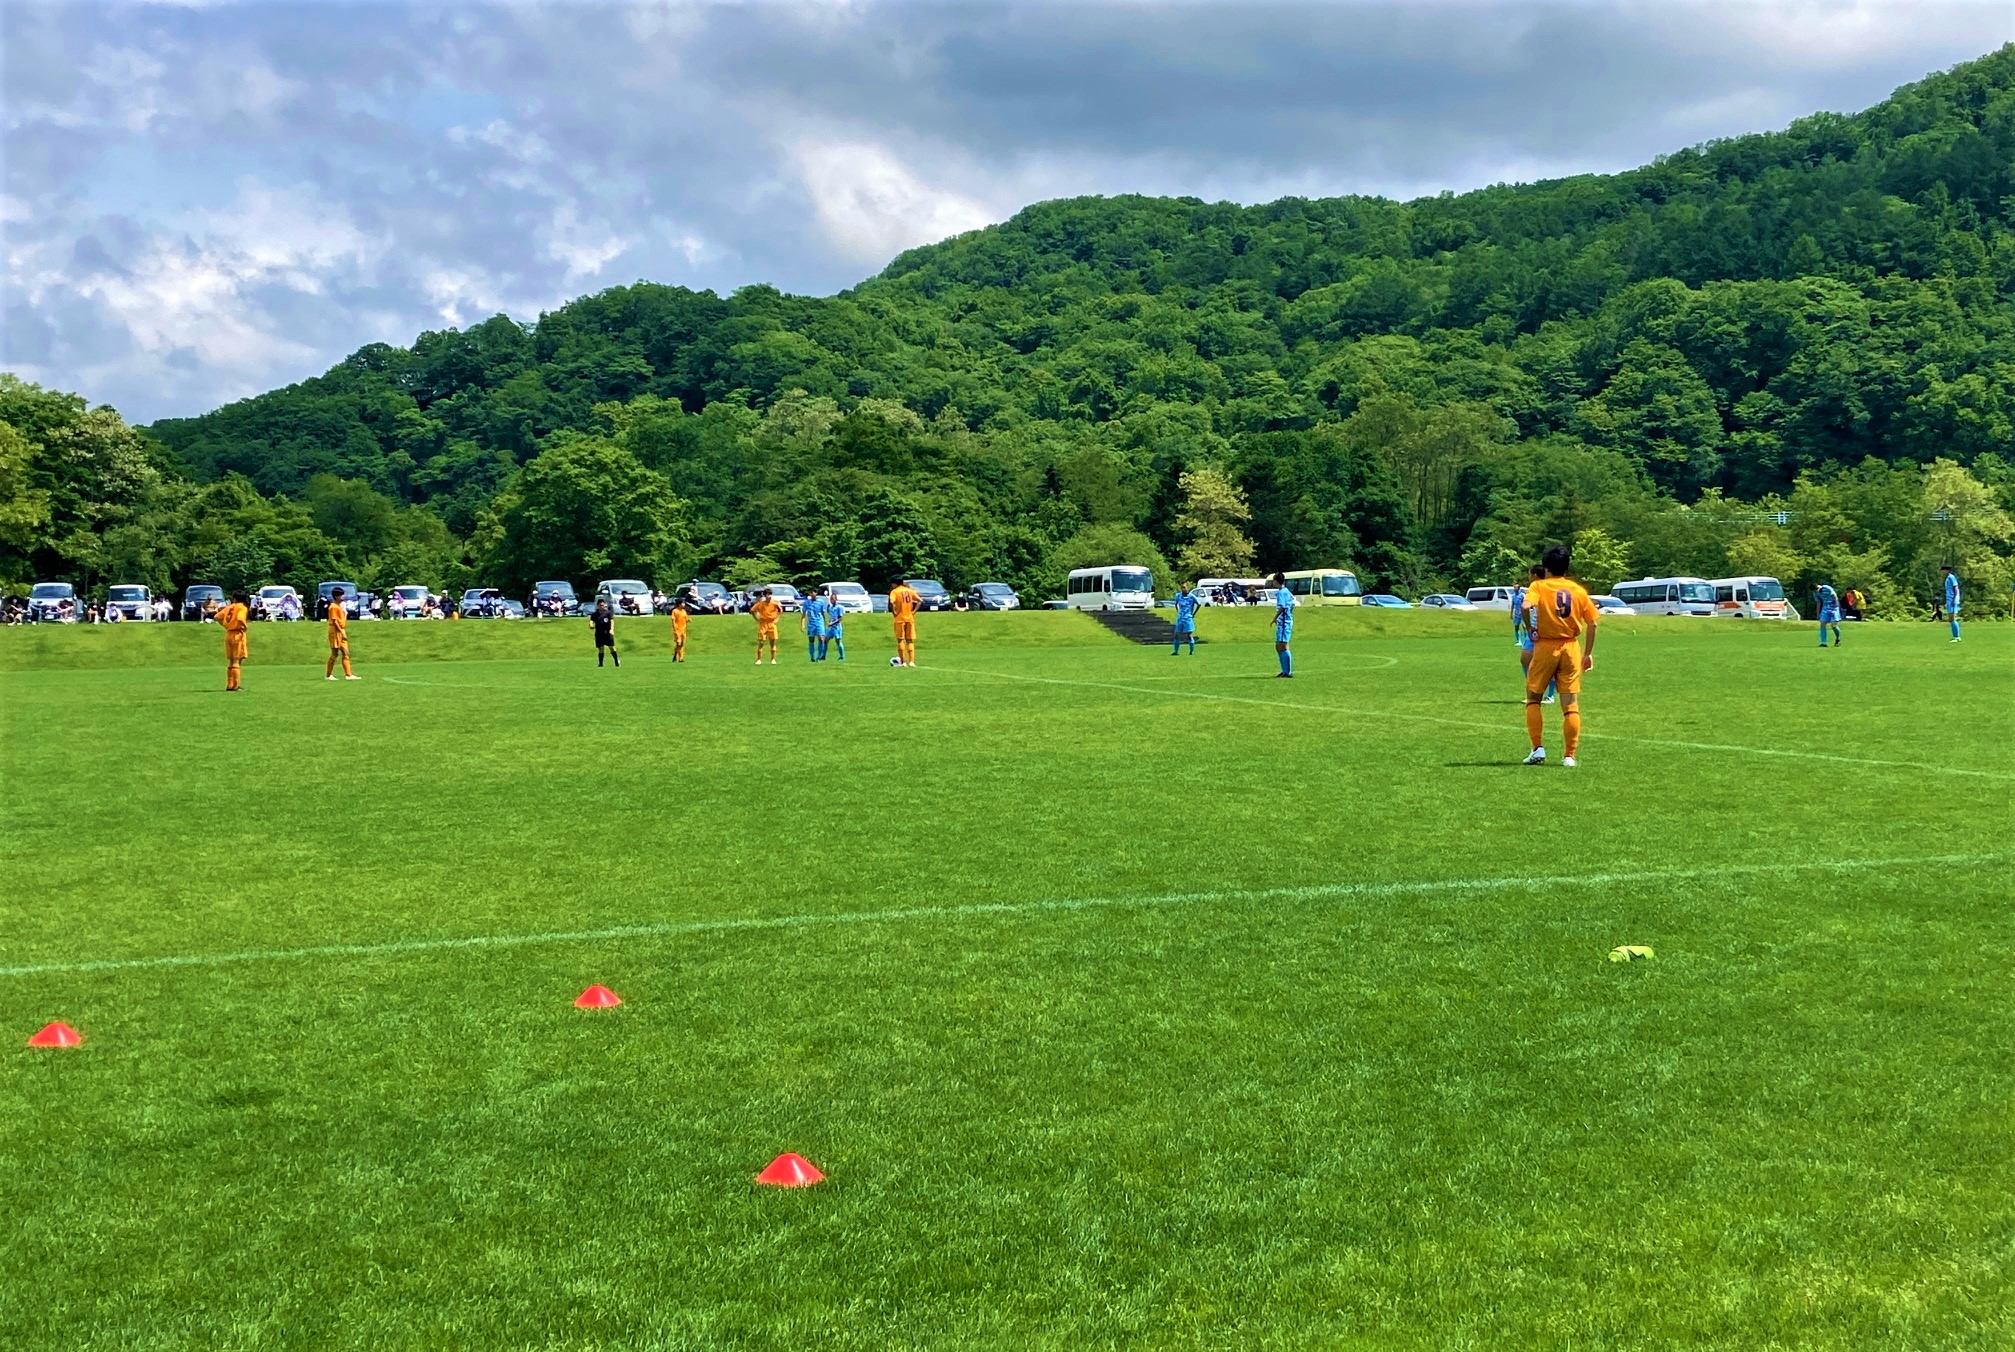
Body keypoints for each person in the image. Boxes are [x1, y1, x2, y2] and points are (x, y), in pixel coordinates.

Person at [1520, 543, 1599, 768]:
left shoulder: (1538, 586)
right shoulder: (1577, 590)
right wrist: (1588, 654)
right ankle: (1569, 756)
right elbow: (1593, 623)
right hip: (1571, 647)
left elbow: (1525, 607)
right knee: (1570, 705)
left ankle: (1537, 748)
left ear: (1546, 567)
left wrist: (1530, 628)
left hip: (1546, 645)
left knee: (1533, 698)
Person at [1512, 564, 1556, 703]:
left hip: (1546, 631)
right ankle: (1533, 692)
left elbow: (1526, 607)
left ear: (1535, 575)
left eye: (1530, 574)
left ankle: (1550, 695)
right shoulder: (1535, 588)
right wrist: (1529, 626)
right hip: (1534, 631)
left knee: (1548, 664)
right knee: (1525, 659)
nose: (1529, 577)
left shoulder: (1543, 587)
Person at [324, 587, 360, 680]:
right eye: (341, 595)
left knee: (345, 652)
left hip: (340, 629)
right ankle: (328, 675)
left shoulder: (339, 606)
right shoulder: (333, 607)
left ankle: (348, 674)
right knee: (334, 653)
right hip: (335, 631)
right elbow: (335, 621)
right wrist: (341, 631)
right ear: (336, 596)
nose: (343, 597)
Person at [219, 592, 251, 692]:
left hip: (229, 634)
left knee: (231, 661)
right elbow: (240, 618)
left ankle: (230, 684)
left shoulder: (230, 607)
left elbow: (217, 616)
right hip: (237, 634)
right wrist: (245, 626)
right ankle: (236, 685)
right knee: (237, 660)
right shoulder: (242, 607)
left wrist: (226, 625)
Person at [888, 578, 921, 667]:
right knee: (910, 640)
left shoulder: (895, 592)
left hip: (899, 618)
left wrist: (894, 612)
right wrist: (913, 612)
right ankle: (912, 661)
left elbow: (891, 602)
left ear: (895, 583)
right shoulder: (910, 590)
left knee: (900, 640)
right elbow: (920, 601)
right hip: (910, 618)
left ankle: (903, 662)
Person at [1270, 572, 1295, 677]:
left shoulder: (1281, 592)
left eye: (1273, 580)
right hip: (1283, 622)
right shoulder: (1287, 591)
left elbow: (1283, 606)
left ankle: (1287, 672)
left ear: (1276, 581)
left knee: (1283, 645)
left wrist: (1275, 618)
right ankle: (1284, 670)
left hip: (1284, 623)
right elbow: (1293, 603)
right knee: (1278, 646)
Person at [750, 587, 782, 664]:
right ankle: (759, 659)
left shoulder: (775, 603)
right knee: (761, 642)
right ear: (764, 595)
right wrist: (756, 619)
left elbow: (780, 610)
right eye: (767, 594)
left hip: (772, 624)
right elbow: (752, 611)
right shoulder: (760, 604)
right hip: (763, 624)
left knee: (772, 642)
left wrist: (777, 618)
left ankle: (773, 659)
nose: (769, 596)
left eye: (770, 594)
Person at [1171, 581, 1201, 655]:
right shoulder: (1178, 596)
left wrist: (1193, 614)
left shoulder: (1192, 596)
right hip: (1180, 618)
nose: (1183, 589)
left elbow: (1199, 604)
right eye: (1182, 588)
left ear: (1188, 588)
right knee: (1176, 634)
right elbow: (1176, 604)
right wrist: (1178, 611)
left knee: (1189, 635)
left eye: (1184, 587)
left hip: (1188, 618)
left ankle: (1191, 651)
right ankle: (1176, 651)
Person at [591, 599, 620, 668]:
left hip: (607, 633)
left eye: (603, 605)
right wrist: (591, 624)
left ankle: (616, 661)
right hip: (599, 633)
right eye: (600, 605)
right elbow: (591, 621)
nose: (602, 606)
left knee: (611, 647)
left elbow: (612, 621)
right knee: (600, 648)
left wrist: (611, 629)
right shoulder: (595, 614)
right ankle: (600, 664)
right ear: (598, 606)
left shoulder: (608, 613)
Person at [1814, 581, 1842, 649]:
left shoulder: (1827, 588)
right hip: (1825, 608)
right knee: (1822, 624)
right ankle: (1823, 643)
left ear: (1818, 586)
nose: (1816, 591)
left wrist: (1835, 607)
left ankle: (1838, 638)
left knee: (1833, 625)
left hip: (1834, 607)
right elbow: (1818, 602)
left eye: (1817, 589)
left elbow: (1835, 596)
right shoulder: (1815, 592)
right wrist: (1818, 613)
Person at [801, 588, 827, 662]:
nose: (812, 594)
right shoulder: (807, 602)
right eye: (810, 593)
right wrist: (802, 624)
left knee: (821, 638)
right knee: (811, 639)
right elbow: (803, 614)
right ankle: (812, 657)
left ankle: (819, 656)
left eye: (813, 592)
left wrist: (825, 622)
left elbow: (823, 613)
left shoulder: (821, 602)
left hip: (819, 622)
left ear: (816, 593)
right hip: (811, 623)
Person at [825, 589, 848, 661]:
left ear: (836, 599)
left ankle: (842, 656)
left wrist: (832, 623)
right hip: (831, 628)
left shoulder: (839, 607)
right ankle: (823, 656)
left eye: (833, 599)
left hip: (837, 627)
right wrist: (828, 602)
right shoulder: (831, 607)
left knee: (838, 641)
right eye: (831, 599)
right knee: (825, 641)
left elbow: (840, 618)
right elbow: (828, 612)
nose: (832, 600)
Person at [1943, 565, 1961, 642]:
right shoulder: (1948, 578)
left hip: (1952, 600)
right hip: (1949, 600)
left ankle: (1957, 637)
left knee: (1952, 618)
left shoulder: (1951, 577)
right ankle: (1955, 636)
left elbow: (1956, 588)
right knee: (1950, 619)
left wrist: (1955, 599)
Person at [669, 597, 689, 663]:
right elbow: (673, 620)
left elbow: (686, 619)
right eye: (683, 603)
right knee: (678, 643)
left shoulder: (684, 611)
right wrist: (675, 630)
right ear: (679, 604)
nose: (684, 604)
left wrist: (688, 620)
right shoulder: (675, 611)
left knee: (682, 644)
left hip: (683, 630)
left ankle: (678, 657)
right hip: (677, 630)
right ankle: (678, 657)